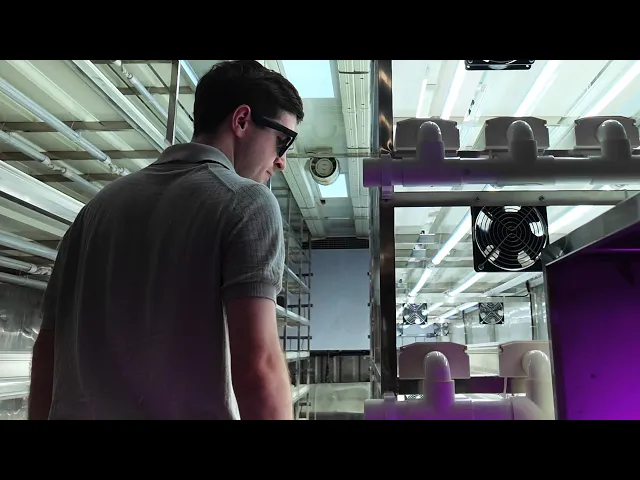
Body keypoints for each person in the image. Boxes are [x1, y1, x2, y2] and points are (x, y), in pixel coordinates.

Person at [28, 60, 305, 420]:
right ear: (241, 121)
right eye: (283, 141)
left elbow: (47, 353)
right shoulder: (247, 203)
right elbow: (259, 369)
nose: (282, 162)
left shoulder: (94, 211)